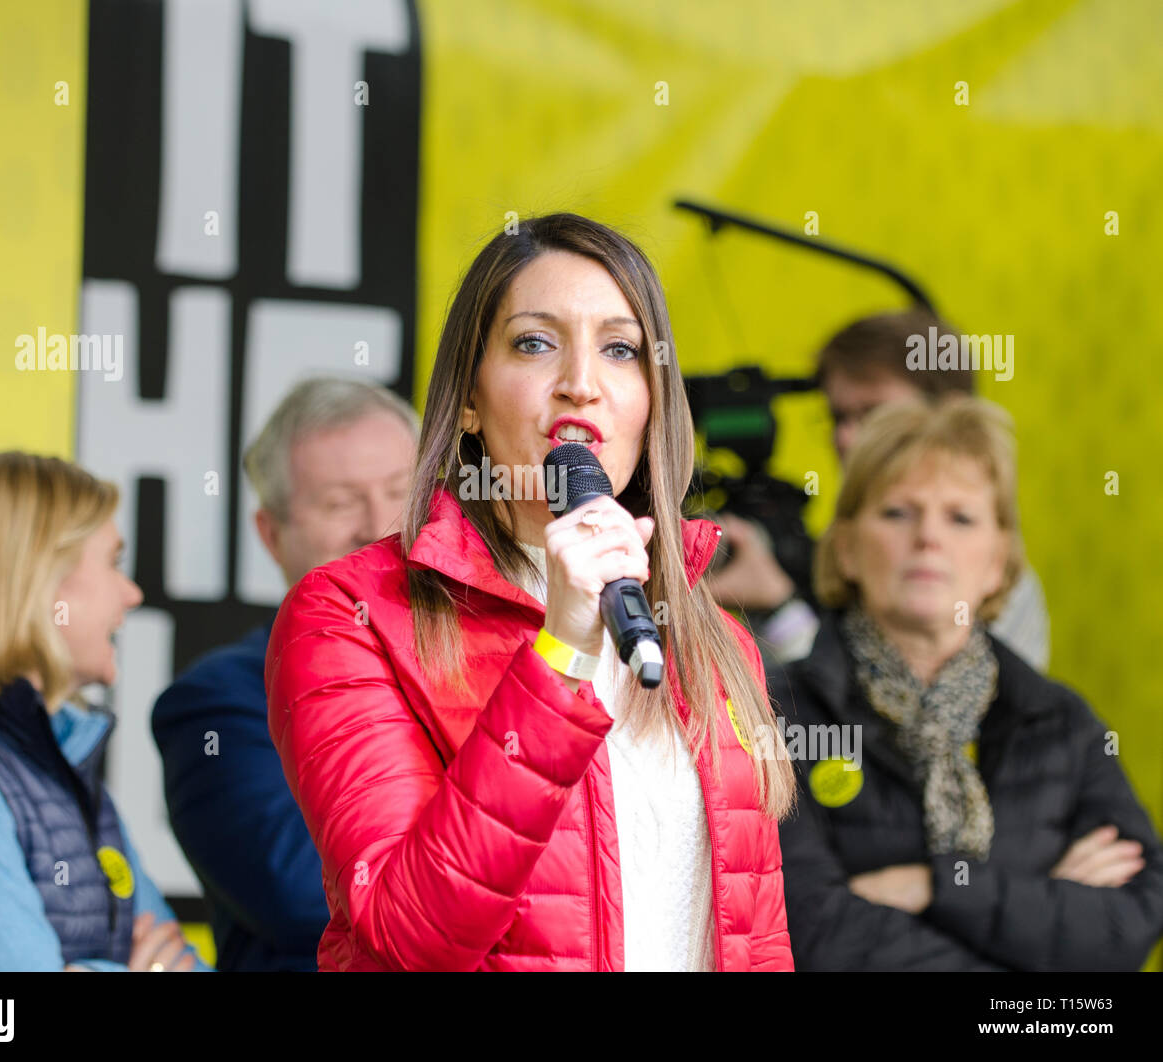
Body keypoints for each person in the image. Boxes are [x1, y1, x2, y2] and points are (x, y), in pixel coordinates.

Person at [265, 213, 797, 972]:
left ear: (651, 401)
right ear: (471, 401)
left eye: (620, 349)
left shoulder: (709, 633)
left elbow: (757, 941)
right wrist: (561, 651)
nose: (581, 383)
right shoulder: (351, 615)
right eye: (536, 343)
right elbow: (408, 936)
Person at [771, 397, 1163, 970]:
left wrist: (934, 889)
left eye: (961, 517)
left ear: (999, 562)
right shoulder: (776, 711)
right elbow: (810, 929)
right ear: (848, 548)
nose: (929, 537)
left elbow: (1133, 918)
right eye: (898, 513)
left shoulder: (1058, 722)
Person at [0, 452, 210, 972]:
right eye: (114, 563)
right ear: (36, 581)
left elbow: (182, 962)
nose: (132, 594)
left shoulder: (61, 762)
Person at [151, 378, 418, 971]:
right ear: (270, 534)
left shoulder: (493, 664)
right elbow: (301, 896)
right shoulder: (216, 704)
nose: (378, 529)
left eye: (402, 492)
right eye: (340, 502)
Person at [708, 308, 1050, 672]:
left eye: (874, 414)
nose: (845, 437)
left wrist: (779, 612)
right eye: (838, 417)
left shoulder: (985, 575)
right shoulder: (841, 547)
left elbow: (920, 719)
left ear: (947, 419)